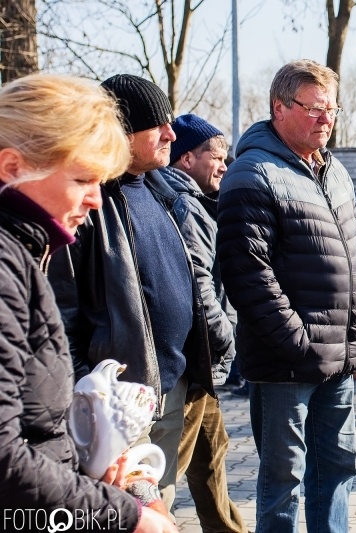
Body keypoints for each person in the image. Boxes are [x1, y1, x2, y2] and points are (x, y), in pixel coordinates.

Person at [0, 73, 176, 533]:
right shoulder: (6, 265)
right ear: (11, 166)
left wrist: (88, 469)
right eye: (82, 178)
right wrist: (127, 516)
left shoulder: (25, 254)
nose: (96, 200)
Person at [216, 59, 356, 533]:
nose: (326, 119)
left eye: (332, 109)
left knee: (337, 470)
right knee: (284, 481)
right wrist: (298, 341)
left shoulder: (337, 172)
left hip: (341, 358)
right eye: (314, 109)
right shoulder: (253, 173)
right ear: (279, 108)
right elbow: (247, 273)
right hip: (289, 363)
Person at [48, 74, 215, 513]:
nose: (172, 135)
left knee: (162, 501)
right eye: (157, 125)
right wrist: (90, 394)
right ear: (122, 132)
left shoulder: (162, 190)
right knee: (140, 515)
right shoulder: (87, 199)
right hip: (118, 399)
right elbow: (61, 308)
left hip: (171, 383)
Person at [162, 114, 248, 533]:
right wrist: (224, 335)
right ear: (186, 158)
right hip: (194, 361)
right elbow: (198, 283)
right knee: (165, 474)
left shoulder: (190, 199)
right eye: (217, 157)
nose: (224, 166)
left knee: (211, 453)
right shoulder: (186, 204)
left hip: (199, 362)